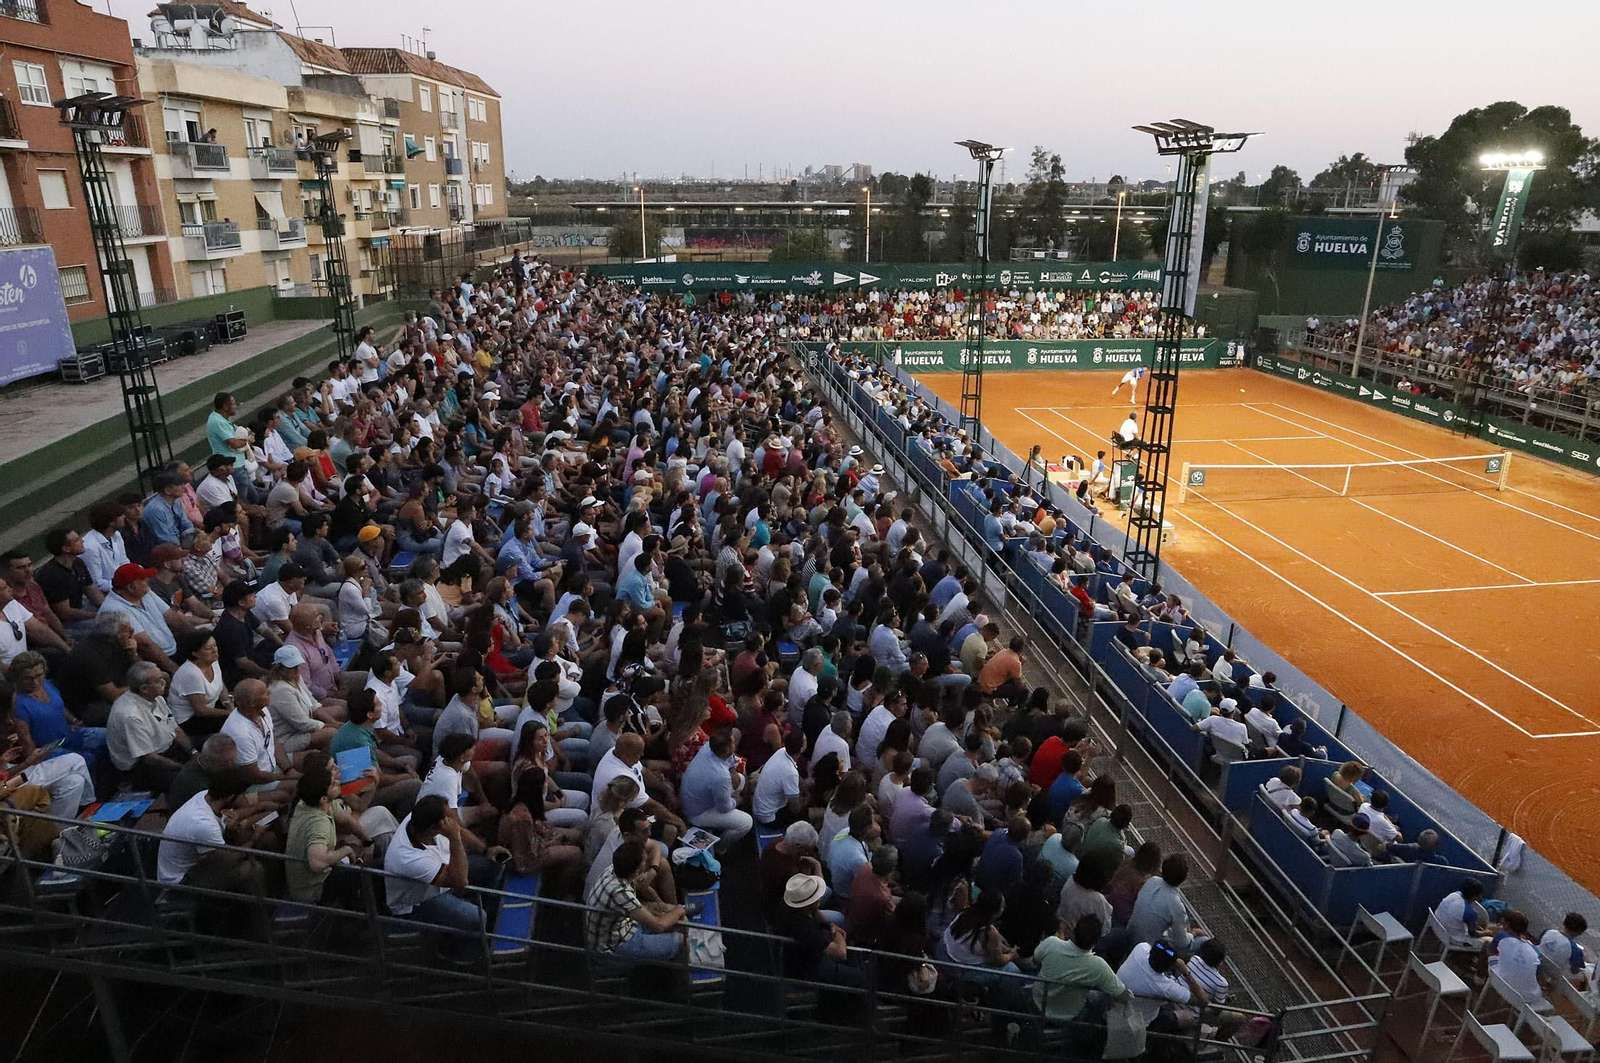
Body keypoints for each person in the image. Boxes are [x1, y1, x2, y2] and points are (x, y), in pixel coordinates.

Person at [585, 838, 688, 962]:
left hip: (623, 926)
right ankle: (679, 974)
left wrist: (663, 906)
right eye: (645, 861)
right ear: (637, 870)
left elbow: (645, 889)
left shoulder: (616, 869)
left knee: (677, 922)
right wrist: (679, 910)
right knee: (680, 940)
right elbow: (658, 925)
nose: (647, 861)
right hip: (613, 946)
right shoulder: (621, 892)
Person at [107, 661, 192, 791]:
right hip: (142, 766)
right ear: (144, 689)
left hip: (167, 749)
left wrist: (194, 752)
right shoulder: (131, 716)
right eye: (159, 680)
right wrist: (182, 767)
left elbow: (176, 730)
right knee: (188, 783)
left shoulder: (156, 697)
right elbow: (149, 758)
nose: (165, 681)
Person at [1033, 914, 1129, 1024]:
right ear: (1097, 941)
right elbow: (1123, 995)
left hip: (1038, 1003)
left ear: (1073, 932)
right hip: (1068, 1017)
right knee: (1103, 997)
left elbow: (1036, 959)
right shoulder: (1098, 966)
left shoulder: (1051, 943)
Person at [679, 727, 751, 849]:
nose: (735, 743)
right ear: (728, 748)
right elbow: (724, 808)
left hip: (698, 796)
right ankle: (721, 847)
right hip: (697, 812)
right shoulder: (721, 776)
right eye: (733, 742)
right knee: (747, 822)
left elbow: (729, 758)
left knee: (741, 779)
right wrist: (737, 801)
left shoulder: (709, 747)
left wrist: (733, 770)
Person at [1115, 940, 1208, 1031]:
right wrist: (1186, 972)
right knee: (1189, 1017)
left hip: (1115, 1008)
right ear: (1168, 967)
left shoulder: (1141, 948)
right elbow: (1203, 1001)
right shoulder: (1164, 987)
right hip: (1140, 1023)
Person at [1127, 854, 1205, 954]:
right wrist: (1193, 933)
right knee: (1203, 941)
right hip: (1151, 948)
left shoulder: (1152, 881)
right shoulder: (1175, 904)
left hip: (1130, 934)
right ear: (1184, 878)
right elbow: (1182, 943)